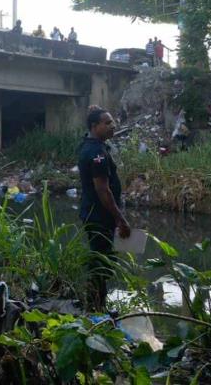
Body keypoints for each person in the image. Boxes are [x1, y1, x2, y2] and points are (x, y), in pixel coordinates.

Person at [77, 106, 131, 310]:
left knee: (102, 262)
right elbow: (103, 190)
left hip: (96, 214)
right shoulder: (96, 152)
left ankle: (97, 306)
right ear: (94, 126)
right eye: (107, 123)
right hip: (99, 216)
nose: (113, 125)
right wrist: (121, 219)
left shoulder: (91, 145)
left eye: (112, 121)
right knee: (101, 264)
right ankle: (94, 309)